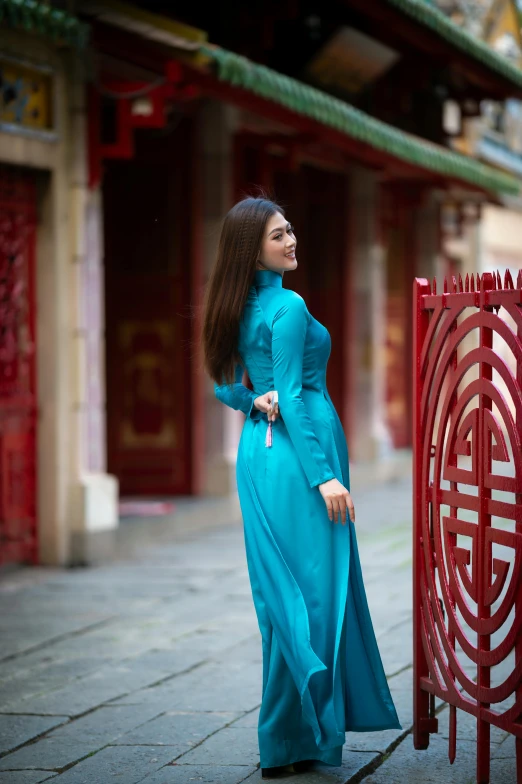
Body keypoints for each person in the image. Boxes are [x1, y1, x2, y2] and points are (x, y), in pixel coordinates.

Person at [202, 196, 401, 778]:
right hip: (297, 457)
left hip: (259, 456)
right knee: (315, 597)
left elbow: (223, 385)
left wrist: (250, 397)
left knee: (284, 600)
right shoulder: (288, 306)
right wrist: (327, 477)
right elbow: (292, 397)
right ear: (252, 249)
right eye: (277, 236)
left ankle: (287, 741)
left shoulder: (234, 305)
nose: (291, 242)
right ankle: (299, 740)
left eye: (290, 230)